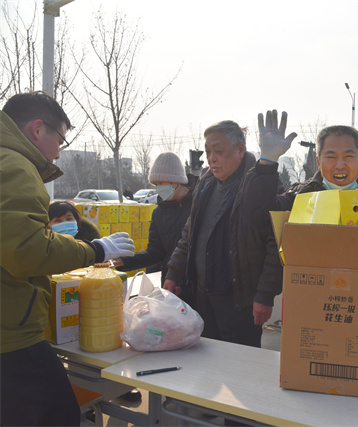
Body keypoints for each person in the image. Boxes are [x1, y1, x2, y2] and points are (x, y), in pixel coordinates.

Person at [241, 110, 358, 370]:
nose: (340, 165)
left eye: (348, 156)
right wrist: (267, 162)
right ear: (318, 160)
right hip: (311, 318)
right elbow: (256, 216)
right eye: (330, 156)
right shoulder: (299, 199)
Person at [0, 91, 134, 426]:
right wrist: (96, 250)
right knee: (57, 413)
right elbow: (26, 251)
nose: (60, 150)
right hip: (11, 337)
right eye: (60, 138)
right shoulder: (15, 166)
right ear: (37, 129)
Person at [163, 120, 283, 348]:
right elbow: (189, 233)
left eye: (218, 151)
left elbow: (274, 244)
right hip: (203, 294)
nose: (212, 158)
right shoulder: (206, 183)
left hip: (239, 300)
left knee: (240, 370)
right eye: (208, 152)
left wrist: (265, 295)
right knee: (206, 365)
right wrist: (174, 272)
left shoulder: (263, 184)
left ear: (240, 150)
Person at [114, 152, 198, 284]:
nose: (159, 188)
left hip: (198, 284)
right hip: (171, 284)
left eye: (161, 183)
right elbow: (155, 252)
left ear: (177, 180)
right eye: (156, 184)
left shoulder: (200, 202)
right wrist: (123, 261)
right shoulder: (159, 213)